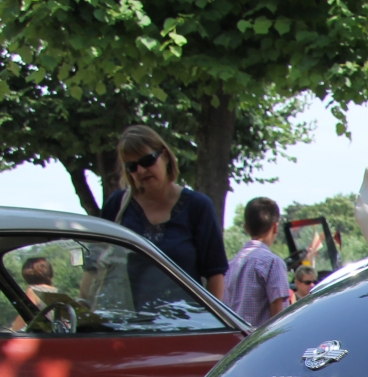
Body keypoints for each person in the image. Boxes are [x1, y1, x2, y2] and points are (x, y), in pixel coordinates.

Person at [100, 125, 227, 298]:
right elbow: (95, 264)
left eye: (147, 161)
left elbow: (215, 274)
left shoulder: (197, 206)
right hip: (127, 322)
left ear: (165, 156)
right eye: (132, 166)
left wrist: (214, 322)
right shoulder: (118, 205)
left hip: (188, 322)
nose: (142, 170)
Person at [223, 198, 292, 327]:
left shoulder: (230, 265)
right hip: (262, 343)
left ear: (246, 228)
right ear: (275, 227)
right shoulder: (273, 263)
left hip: (238, 342)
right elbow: (279, 314)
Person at [11, 256, 56, 331]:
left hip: (46, 336)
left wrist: (12, 330)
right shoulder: (57, 291)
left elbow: (23, 316)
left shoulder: (33, 291)